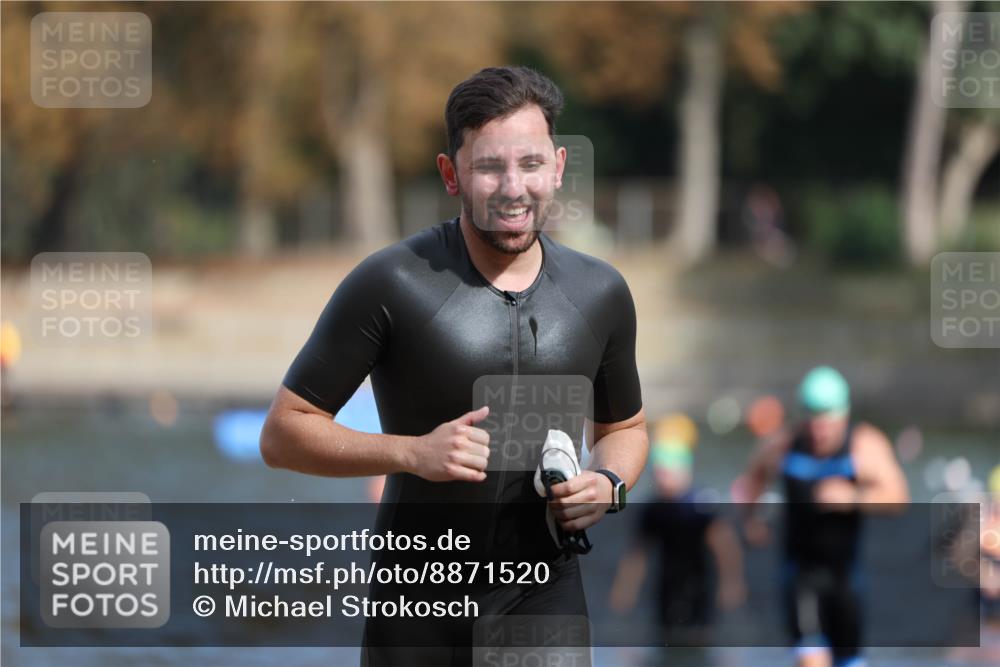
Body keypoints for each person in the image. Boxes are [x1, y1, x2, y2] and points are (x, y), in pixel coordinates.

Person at [260, 66, 648, 666]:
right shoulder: (392, 282)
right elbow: (284, 433)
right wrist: (412, 453)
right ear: (452, 174)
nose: (514, 188)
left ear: (559, 166)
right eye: (490, 166)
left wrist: (610, 484)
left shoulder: (600, 293)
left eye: (531, 164)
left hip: (545, 601)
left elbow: (624, 429)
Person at [734, 366, 910, 667]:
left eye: (827, 419)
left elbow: (899, 497)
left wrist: (853, 498)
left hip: (846, 578)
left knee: (850, 661)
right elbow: (751, 479)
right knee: (811, 660)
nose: (820, 429)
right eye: (813, 418)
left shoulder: (863, 446)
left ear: (843, 414)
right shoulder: (784, 444)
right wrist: (752, 519)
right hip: (799, 573)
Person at [609, 439, 745, 646]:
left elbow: (725, 547)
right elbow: (638, 553)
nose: (664, 480)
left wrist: (732, 582)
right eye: (659, 474)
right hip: (667, 585)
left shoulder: (700, 504)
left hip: (699, 585)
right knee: (668, 637)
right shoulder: (653, 510)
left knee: (698, 638)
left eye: (669, 473)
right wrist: (625, 589)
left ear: (684, 473)